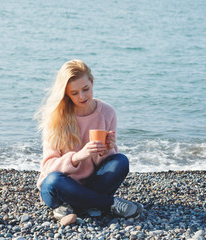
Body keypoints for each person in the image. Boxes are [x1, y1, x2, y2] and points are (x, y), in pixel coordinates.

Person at [35, 59, 143, 220]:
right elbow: (48, 168)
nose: (82, 96)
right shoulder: (56, 118)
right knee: (53, 181)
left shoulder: (107, 112)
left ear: (92, 82)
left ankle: (74, 206)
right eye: (74, 93)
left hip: (93, 184)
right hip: (61, 186)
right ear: (66, 93)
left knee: (120, 161)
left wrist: (107, 150)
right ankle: (108, 204)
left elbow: (107, 166)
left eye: (86, 89)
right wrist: (78, 156)